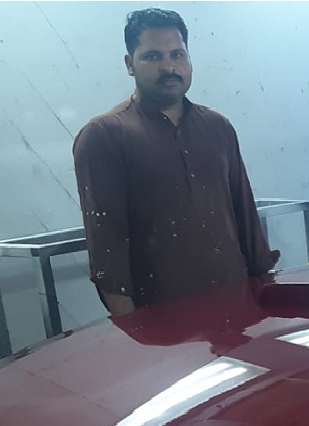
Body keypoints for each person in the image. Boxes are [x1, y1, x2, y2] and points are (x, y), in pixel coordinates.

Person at [73, 9, 278, 317]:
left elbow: (247, 220)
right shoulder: (104, 136)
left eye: (177, 54)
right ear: (129, 64)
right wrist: (133, 331)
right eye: (152, 56)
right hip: (161, 322)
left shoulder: (218, 127)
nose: (169, 66)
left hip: (236, 314)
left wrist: (264, 307)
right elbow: (107, 250)